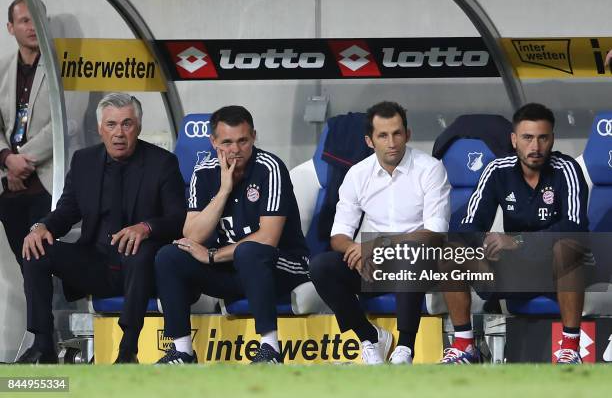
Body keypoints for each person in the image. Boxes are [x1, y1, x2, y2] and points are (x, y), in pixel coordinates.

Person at [18, 93, 186, 364]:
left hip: (140, 267)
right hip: (95, 262)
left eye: (127, 124)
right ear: (100, 128)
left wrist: (146, 227)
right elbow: (66, 212)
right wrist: (40, 227)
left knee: (139, 250)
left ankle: (128, 350)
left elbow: (179, 218)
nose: (119, 133)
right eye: (111, 125)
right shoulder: (84, 161)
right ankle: (42, 345)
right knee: (35, 250)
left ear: (138, 127)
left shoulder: (162, 163)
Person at [154, 105, 310, 364]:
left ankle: (270, 349)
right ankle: (182, 351)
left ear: (254, 137)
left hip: (282, 266)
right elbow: (192, 234)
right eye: (227, 142)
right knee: (169, 256)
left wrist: (213, 256)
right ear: (213, 142)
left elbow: (268, 238)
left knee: (250, 251)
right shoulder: (203, 171)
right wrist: (224, 190)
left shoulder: (270, 167)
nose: (235, 150)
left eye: (243, 141)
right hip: (233, 269)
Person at [441, 103, 589, 364]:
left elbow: (575, 227)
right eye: (527, 138)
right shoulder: (497, 169)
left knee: (568, 248)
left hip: (556, 271)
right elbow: (468, 225)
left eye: (543, 138)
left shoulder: (566, 170)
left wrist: (517, 241)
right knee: (452, 250)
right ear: (514, 139)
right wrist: (484, 242)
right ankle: (465, 345)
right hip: (515, 272)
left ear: (552, 139)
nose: (535, 147)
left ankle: (570, 348)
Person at [309, 101, 451, 365]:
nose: (392, 142)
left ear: (408, 134)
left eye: (397, 133)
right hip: (375, 265)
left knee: (412, 255)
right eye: (383, 135)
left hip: (422, 263)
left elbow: (435, 233)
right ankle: (369, 338)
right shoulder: (357, 174)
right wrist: (355, 250)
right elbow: (338, 235)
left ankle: (405, 349)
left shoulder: (430, 169)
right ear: (370, 140)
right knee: (321, 266)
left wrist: (378, 245)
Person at [0, 0, 53, 268]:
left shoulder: (63, 66)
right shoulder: (3, 68)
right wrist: (7, 159)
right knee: (26, 267)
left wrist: (20, 161)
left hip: (46, 184)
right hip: (9, 188)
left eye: (37, 19)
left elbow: (68, 124)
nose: (33, 26)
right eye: (24, 20)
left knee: (43, 265)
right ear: (11, 28)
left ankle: (50, 312)